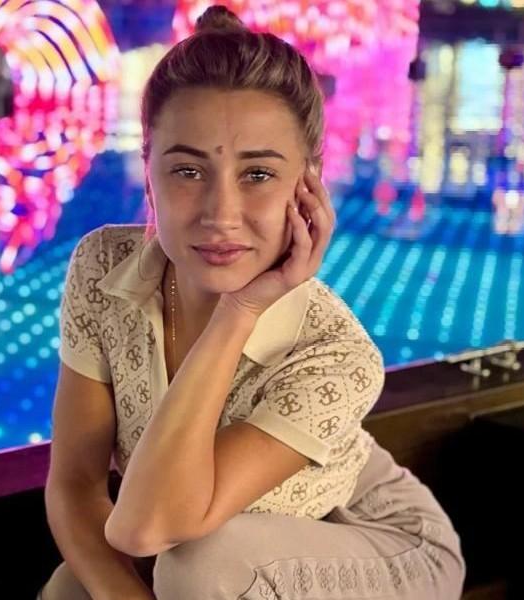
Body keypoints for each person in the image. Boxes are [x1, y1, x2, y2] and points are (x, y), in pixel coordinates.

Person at [39, 5, 465, 599]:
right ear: (148, 171)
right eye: (188, 170)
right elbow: (77, 486)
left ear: (308, 184)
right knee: (74, 588)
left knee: (202, 568)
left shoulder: (338, 355)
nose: (221, 214)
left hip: (377, 540)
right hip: (199, 544)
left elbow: (143, 528)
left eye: (258, 174)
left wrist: (239, 312)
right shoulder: (102, 268)